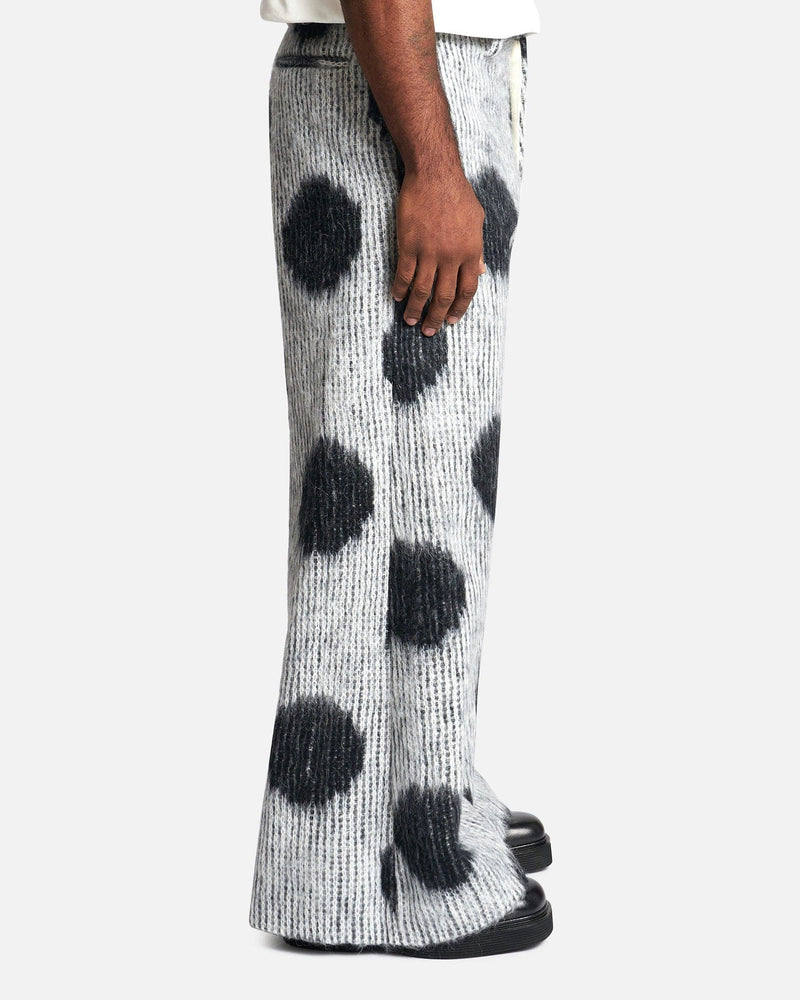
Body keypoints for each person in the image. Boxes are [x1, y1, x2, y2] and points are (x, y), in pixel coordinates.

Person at [249, 0, 553, 958]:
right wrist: (432, 161)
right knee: (386, 498)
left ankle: (427, 787)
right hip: (389, 92)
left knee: (429, 481)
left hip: (408, 78)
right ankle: (391, 872)